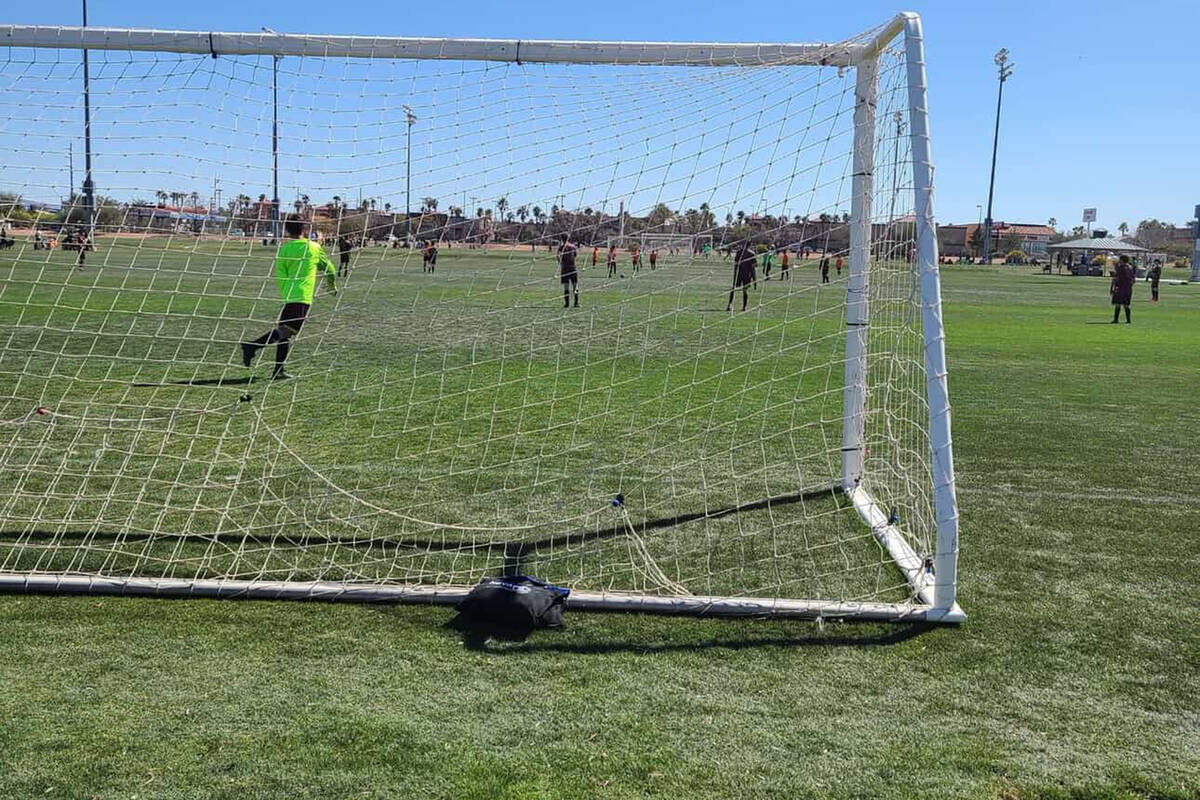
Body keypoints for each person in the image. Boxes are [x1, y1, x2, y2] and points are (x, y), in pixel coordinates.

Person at [241, 214, 337, 380]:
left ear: (287, 229)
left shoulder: (284, 249)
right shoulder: (313, 247)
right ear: (304, 228)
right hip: (302, 296)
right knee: (288, 330)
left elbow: (280, 273)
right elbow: (329, 268)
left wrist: (286, 290)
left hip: (288, 295)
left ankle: (278, 370)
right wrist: (331, 286)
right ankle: (253, 345)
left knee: (285, 335)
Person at [727, 241, 757, 312]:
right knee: (745, 290)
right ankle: (744, 307)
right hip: (747, 274)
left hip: (739, 273)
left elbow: (736, 265)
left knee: (733, 288)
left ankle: (730, 305)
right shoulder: (752, 254)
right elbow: (753, 268)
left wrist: (735, 275)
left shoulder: (739, 252)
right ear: (750, 245)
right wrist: (755, 280)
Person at [1110, 254, 1134, 324]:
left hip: (1120, 288)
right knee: (1126, 304)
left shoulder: (1120, 268)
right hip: (1128, 289)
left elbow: (1116, 278)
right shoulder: (1130, 268)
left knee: (1118, 304)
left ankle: (1116, 319)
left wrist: (1112, 287)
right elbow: (1133, 279)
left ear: (1122, 260)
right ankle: (1128, 320)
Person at [559, 235, 579, 308]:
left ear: (562, 239)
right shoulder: (573, 247)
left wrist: (561, 263)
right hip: (573, 268)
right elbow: (575, 255)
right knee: (575, 286)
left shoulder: (561, 247)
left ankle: (567, 304)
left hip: (565, 269)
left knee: (566, 286)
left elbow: (558, 257)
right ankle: (576, 303)